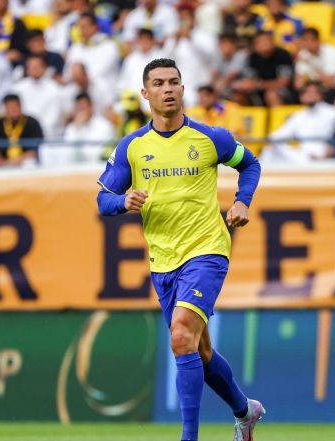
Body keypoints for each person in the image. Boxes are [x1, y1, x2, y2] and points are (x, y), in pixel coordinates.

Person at [96, 58, 263, 441]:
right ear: (145, 93)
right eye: (158, 83)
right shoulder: (133, 147)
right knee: (199, 351)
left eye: (173, 82)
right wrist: (123, 201)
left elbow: (250, 164)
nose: (167, 88)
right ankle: (245, 411)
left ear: (183, 89)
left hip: (207, 250)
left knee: (181, 335)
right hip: (163, 260)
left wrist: (242, 201)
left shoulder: (210, 138)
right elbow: (103, 199)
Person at [0, 93, 43, 167]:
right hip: (3, 164)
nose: (13, 110)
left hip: (26, 163)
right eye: (10, 107)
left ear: (21, 106)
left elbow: (35, 150)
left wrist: (11, 162)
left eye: (16, 106)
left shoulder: (32, 122)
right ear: (5, 108)